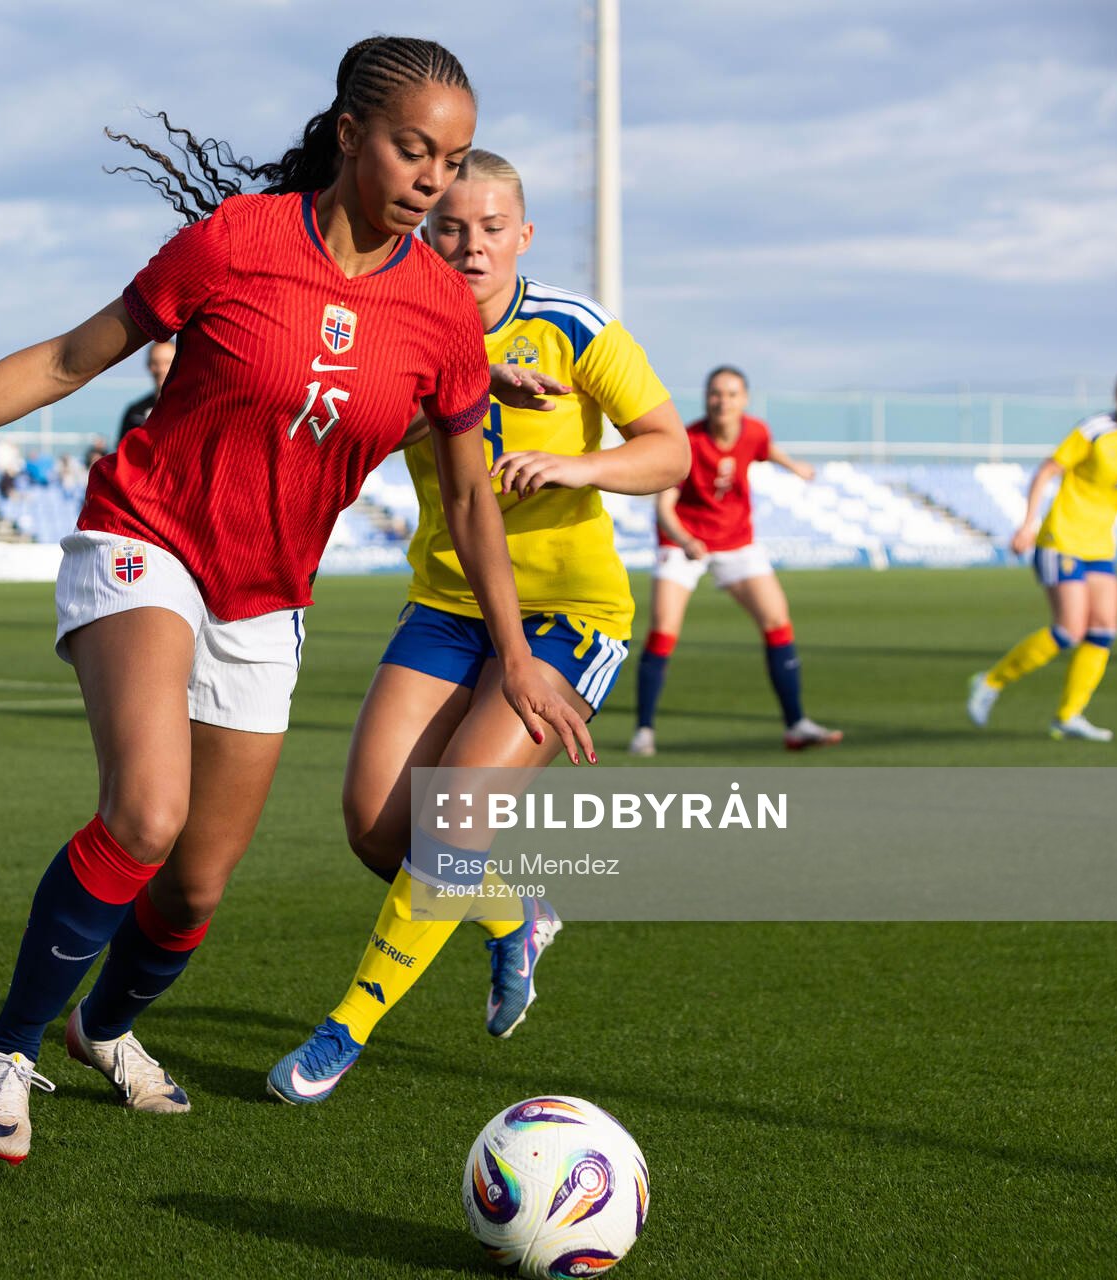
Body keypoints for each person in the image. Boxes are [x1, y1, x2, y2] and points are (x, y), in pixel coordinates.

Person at [0, 36, 587, 1164]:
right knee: (146, 812)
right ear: (351, 132)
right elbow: (68, 359)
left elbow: (469, 499)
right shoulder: (238, 239)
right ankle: (7, 1051)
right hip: (145, 536)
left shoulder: (442, 313)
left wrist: (514, 655)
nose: (434, 180)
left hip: (266, 599)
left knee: (193, 888)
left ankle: (103, 1026)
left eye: (453, 161)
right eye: (415, 149)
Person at [264, 150, 687, 1103]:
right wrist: (461, 388)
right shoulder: (400, 324)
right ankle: (513, 914)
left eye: (492, 229)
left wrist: (579, 468)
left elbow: (670, 452)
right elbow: (356, 436)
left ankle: (343, 1030)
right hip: (448, 606)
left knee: (453, 820)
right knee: (380, 831)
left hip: (570, 616)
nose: (472, 247)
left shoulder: (573, 327)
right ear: (425, 230)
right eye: (452, 228)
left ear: (522, 235)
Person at [629, 366, 843, 755]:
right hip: (683, 540)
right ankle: (644, 732)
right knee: (664, 629)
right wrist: (686, 540)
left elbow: (766, 449)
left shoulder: (756, 431)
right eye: (715, 393)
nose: (722, 401)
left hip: (736, 540)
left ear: (744, 400)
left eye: (730, 394)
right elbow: (664, 507)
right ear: (706, 398)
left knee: (777, 620)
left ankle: (796, 725)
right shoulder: (688, 441)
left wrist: (794, 466)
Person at [969, 364, 1117, 740]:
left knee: (1103, 630)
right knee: (1069, 629)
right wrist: (1028, 524)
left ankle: (1068, 715)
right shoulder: (1095, 431)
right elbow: (1047, 472)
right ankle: (991, 681)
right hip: (1060, 539)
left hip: (1100, 546)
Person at [118, 340, 176, 442]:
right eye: (155, 363)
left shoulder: (191, 409)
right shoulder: (135, 412)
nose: (161, 369)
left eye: (167, 362)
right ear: (148, 365)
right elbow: (122, 447)